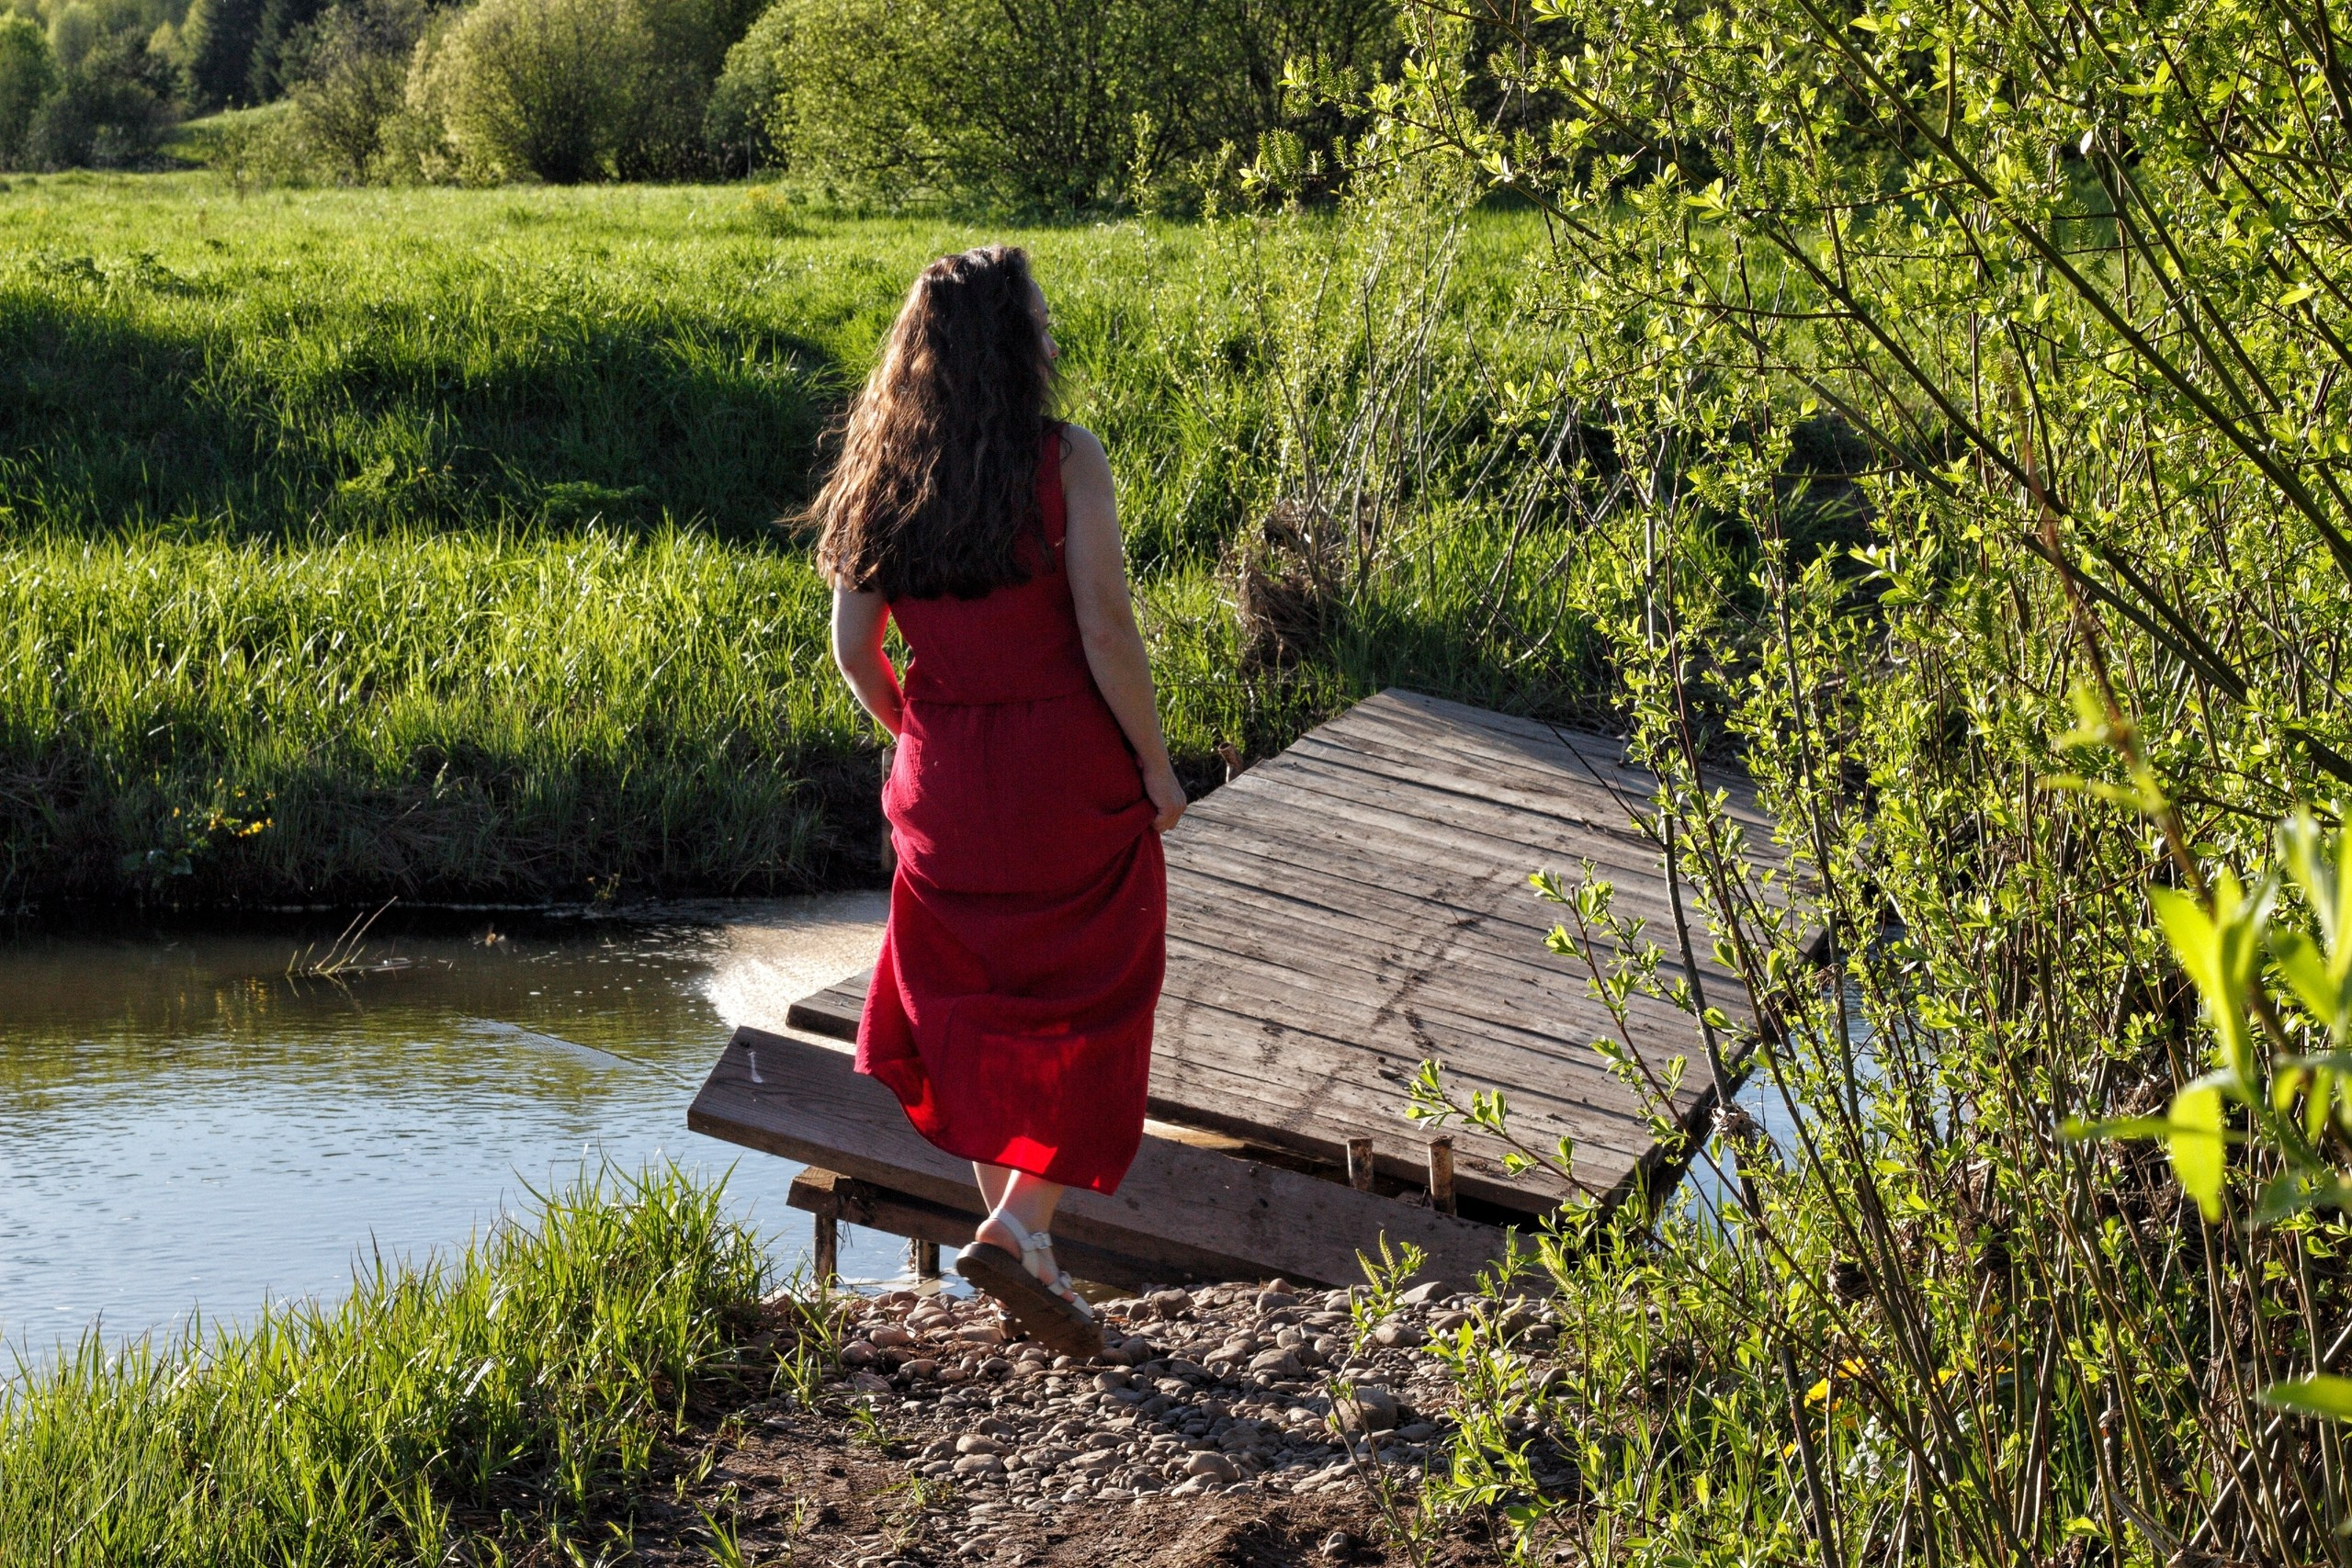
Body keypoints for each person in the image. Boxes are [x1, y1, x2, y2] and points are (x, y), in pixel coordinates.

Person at [815, 245, 1185, 1355]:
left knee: (971, 1017)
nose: (1054, 336)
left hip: (941, 776)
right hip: (1065, 772)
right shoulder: (1064, 458)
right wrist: (1158, 770)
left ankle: (1029, 1251)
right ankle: (1022, 1223)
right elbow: (1106, 631)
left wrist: (927, 737)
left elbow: (851, 652)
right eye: (1040, 320)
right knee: (1098, 999)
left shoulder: (878, 473)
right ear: (1009, 347)